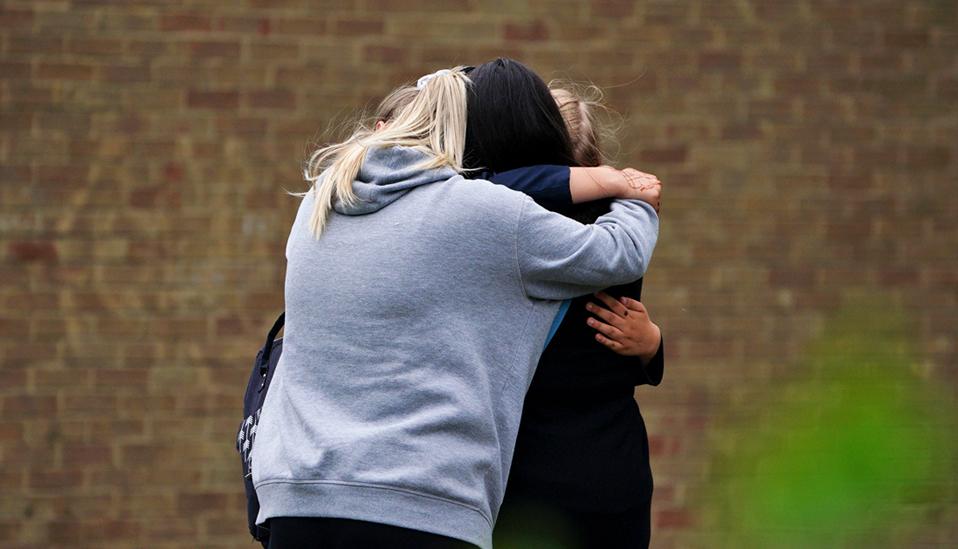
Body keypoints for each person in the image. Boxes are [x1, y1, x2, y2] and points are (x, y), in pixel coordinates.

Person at [250, 65, 660, 549]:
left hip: (296, 494)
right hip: (421, 501)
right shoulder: (477, 214)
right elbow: (618, 253)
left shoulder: (323, 198)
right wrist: (633, 194)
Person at [461, 59, 664, 548]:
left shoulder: (493, 222)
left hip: (523, 475)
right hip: (612, 473)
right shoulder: (620, 223)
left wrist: (650, 346)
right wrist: (652, 347)